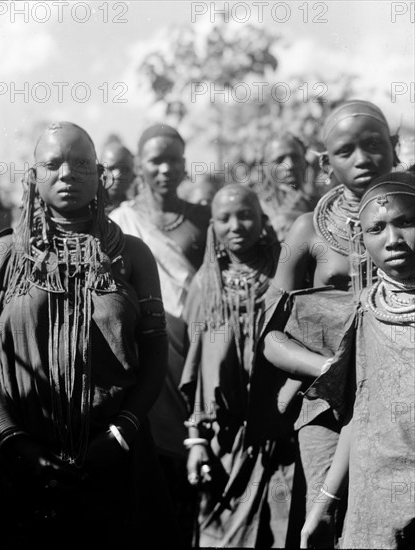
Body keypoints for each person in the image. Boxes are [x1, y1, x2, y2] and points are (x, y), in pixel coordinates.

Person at [0, 121, 181, 547]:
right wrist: (12, 440)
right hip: (23, 464)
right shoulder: (3, 256)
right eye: (52, 164)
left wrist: (120, 433)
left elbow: (153, 352)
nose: (66, 174)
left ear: (100, 174)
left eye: (80, 164)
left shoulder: (132, 254)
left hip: (118, 458)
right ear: (32, 177)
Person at [259, 99, 399, 546]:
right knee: (328, 523)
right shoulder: (306, 231)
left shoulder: (408, 223)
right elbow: (270, 337)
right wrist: (328, 370)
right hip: (327, 408)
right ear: (324, 163)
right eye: (346, 151)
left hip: (401, 398)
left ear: (394, 146)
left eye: (375, 144)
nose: (363, 158)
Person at [298, 172, 415, 549]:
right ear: (362, 240)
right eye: (376, 228)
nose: (393, 239)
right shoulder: (367, 311)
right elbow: (358, 411)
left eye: (407, 223)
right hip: (375, 496)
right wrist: (325, 502)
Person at [109, 123, 211, 544]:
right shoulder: (120, 222)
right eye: (156, 160)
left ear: (184, 164)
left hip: (195, 353)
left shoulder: (203, 220)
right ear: (140, 165)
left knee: (190, 479)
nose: (165, 169)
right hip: (145, 357)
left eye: (173, 159)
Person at [180, 183, 297, 548]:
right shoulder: (205, 285)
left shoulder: (285, 273)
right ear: (212, 225)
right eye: (224, 218)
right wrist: (197, 440)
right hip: (225, 441)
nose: (236, 225)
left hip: (281, 432)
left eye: (245, 215)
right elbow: (197, 369)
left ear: (262, 220)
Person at [257, 132, 317, 242]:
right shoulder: (254, 209)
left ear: (306, 163)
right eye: (279, 160)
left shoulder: (323, 206)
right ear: (263, 166)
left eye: (296, 158)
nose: (290, 165)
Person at [99, 139, 136, 213]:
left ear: (132, 176)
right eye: (111, 168)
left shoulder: (138, 214)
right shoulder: (86, 211)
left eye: (124, 169)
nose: (118, 175)